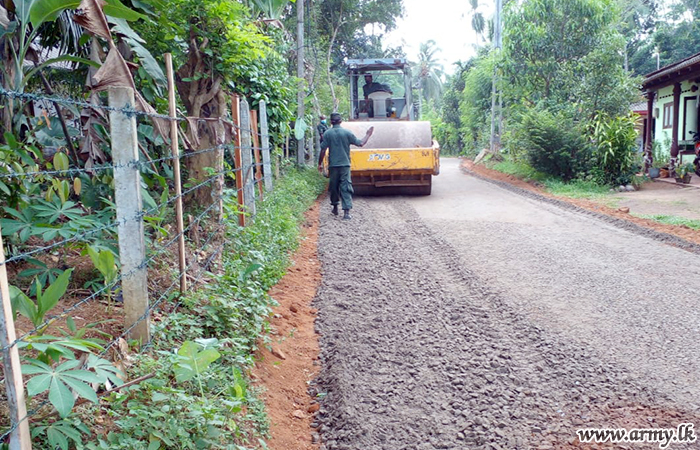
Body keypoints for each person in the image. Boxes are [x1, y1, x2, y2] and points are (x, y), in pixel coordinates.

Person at [317, 112, 374, 220]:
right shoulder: (347, 133)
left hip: (333, 165)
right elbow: (360, 143)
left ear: (331, 122)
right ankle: (346, 212)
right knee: (346, 186)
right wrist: (368, 134)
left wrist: (319, 164)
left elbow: (323, 149)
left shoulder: (327, 134)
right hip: (345, 165)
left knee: (333, 186)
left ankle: (335, 207)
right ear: (341, 121)